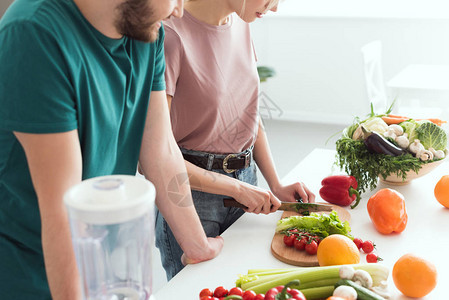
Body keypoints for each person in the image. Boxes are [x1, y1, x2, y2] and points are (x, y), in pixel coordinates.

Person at [0, 0, 223, 298]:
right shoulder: (34, 33)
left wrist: (198, 245)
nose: (179, 10)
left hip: (99, 263)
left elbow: (161, 151)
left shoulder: (145, 31)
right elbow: (63, 208)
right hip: (30, 273)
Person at [157, 0, 316, 279]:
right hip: (190, 198)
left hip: (247, 183)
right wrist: (237, 189)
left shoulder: (242, 23)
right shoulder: (171, 37)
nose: (275, 7)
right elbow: (156, 158)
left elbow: (248, 113)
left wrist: (275, 183)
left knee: (239, 286)